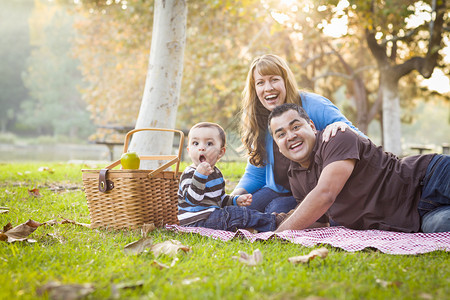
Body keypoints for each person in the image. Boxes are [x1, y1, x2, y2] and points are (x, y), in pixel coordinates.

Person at [268, 103, 450, 233]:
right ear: (278, 145)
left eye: (296, 126)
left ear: (312, 126)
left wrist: (277, 235)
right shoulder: (295, 175)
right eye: (281, 134)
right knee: (442, 226)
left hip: (427, 178)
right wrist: (272, 222)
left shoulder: (336, 138)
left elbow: (325, 194)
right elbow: (317, 220)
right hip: (416, 217)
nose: (290, 136)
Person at [232, 54, 366, 215]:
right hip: (279, 189)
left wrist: (342, 126)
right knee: (235, 211)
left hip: (315, 189)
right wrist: (233, 196)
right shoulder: (259, 119)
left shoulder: (316, 106)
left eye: (274, 79)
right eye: (260, 83)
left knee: (274, 209)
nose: (268, 88)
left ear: (285, 81)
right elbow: (256, 172)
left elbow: (361, 140)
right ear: (255, 89)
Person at [177, 122, 284, 232]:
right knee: (237, 214)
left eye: (209, 144)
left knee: (238, 212)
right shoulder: (189, 174)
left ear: (221, 152)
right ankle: (275, 221)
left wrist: (235, 200)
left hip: (212, 217)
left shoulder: (216, 174)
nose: (201, 148)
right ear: (189, 150)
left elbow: (220, 200)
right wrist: (200, 176)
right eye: (195, 143)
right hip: (196, 221)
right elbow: (193, 200)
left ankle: (263, 224)